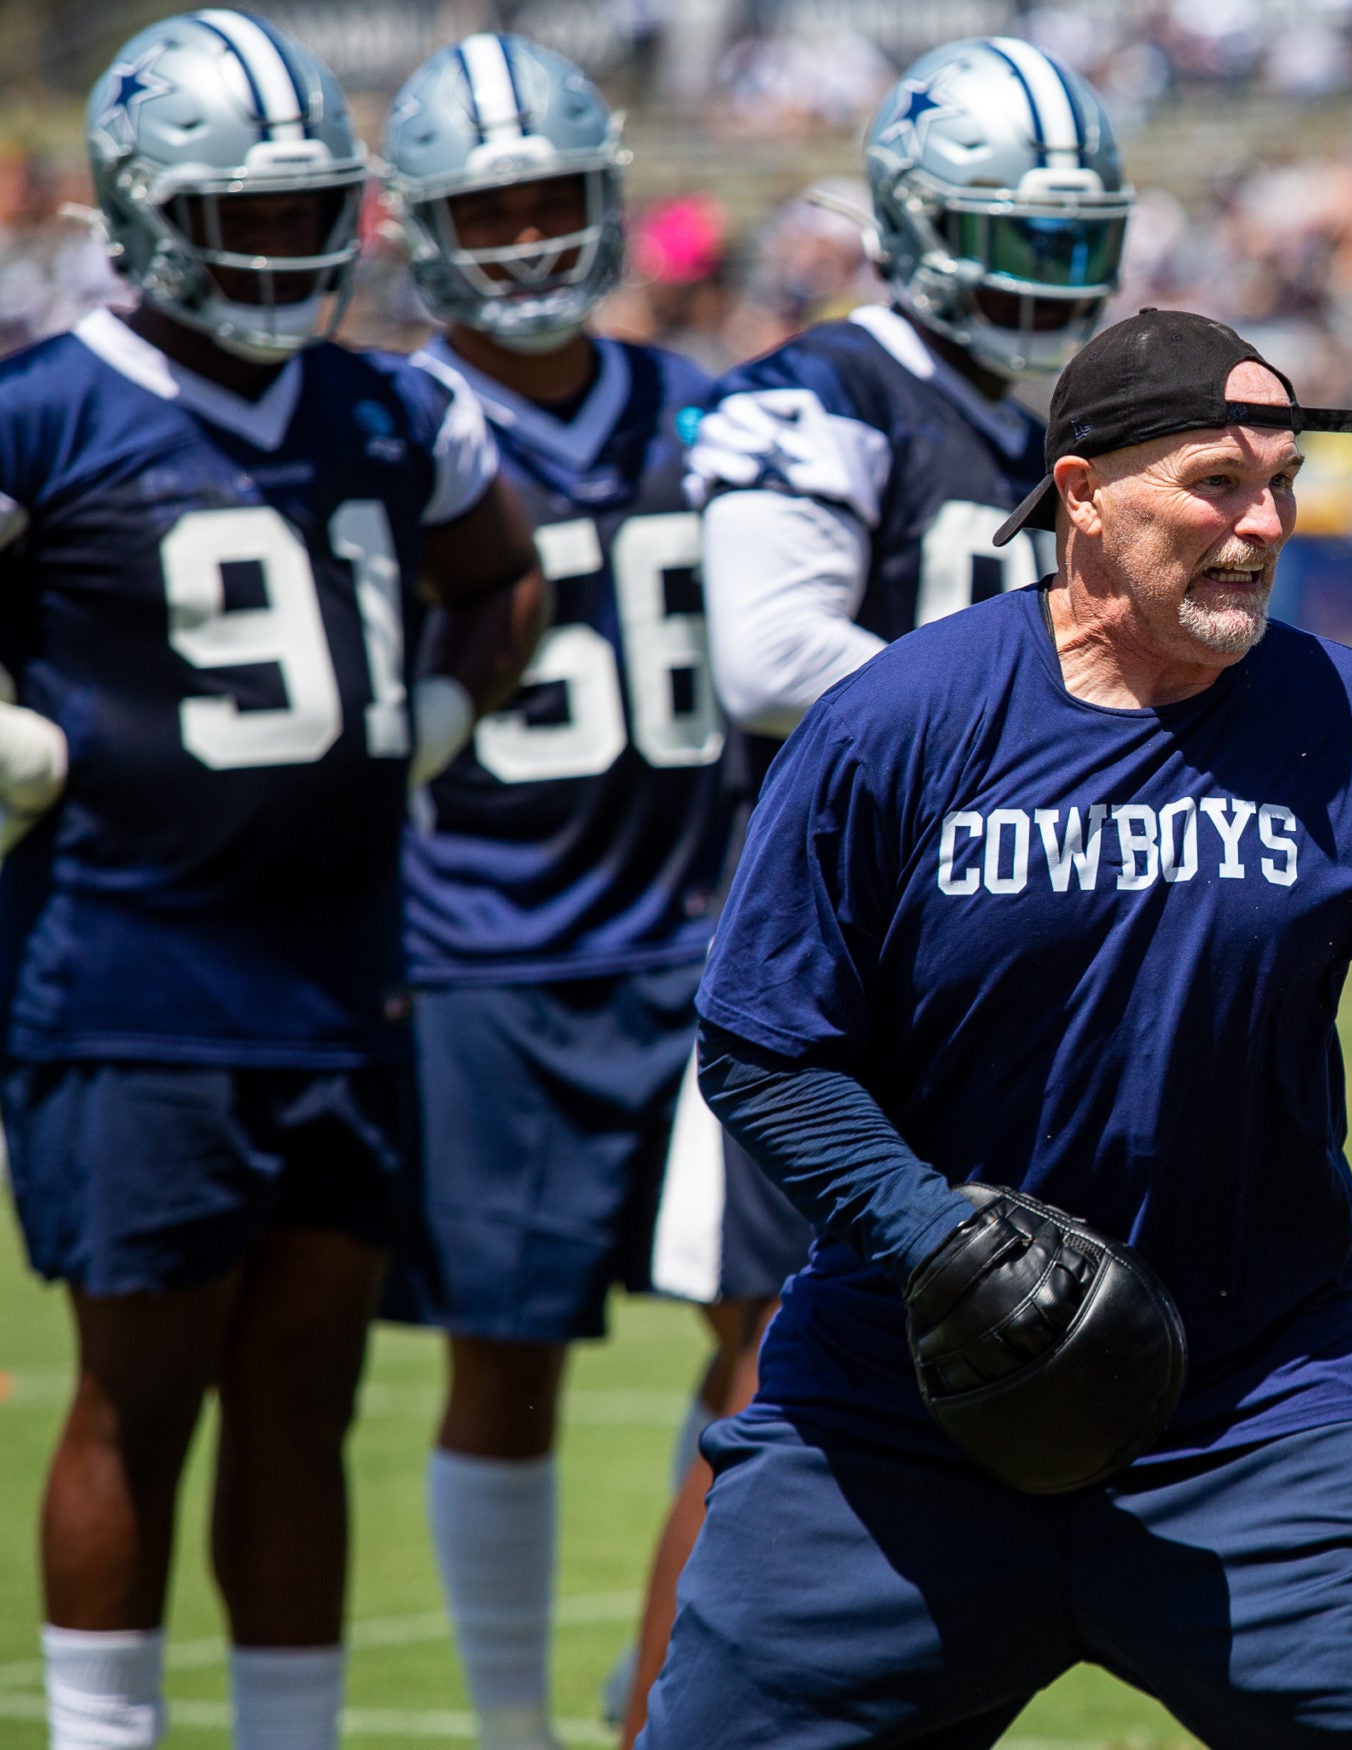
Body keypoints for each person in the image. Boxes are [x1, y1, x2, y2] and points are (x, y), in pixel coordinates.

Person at [637, 308, 1352, 1747]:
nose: (1261, 527)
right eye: (1215, 485)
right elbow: (763, 1044)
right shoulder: (902, 720)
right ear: (1080, 498)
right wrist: (937, 1241)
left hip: (1263, 1409)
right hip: (901, 1412)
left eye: (1280, 490)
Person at [0, 13, 546, 1748]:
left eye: (313, 209)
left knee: (308, 1401)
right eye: (249, 213)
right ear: (151, 213)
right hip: (128, 986)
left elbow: (503, 573)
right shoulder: (45, 412)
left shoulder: (385, 405)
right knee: (136, 1403)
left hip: (347, 980)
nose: (289, 247)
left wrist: (443, 717)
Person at [614, 37, 1136, 1739]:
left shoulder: (1051, 414)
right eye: (1018, 240)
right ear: (915, 225)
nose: (1052, 284)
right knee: (778, 1373)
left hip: (999, 955)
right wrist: (1040, 717)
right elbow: (770, 656)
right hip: (837, 967)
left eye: (1078, 246)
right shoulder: (815, 394)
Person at [374, 36, 738, 1750]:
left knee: (763, 1333)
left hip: (708, 938)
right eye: (487, 206)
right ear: (422, 227)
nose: (523, 235)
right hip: (489, 950)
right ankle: (516, 1724)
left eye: (549, 198)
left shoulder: (711, 410)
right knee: (500, 1359)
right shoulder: (395, 426)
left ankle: (662, 1691)